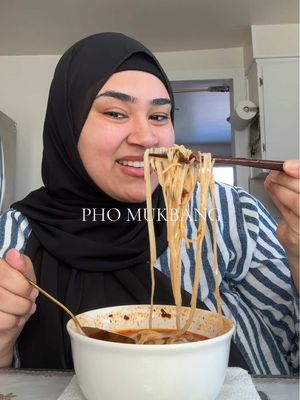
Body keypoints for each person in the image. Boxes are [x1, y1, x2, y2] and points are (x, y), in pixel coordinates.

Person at [0, 32, 299, 375]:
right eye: (115, 112)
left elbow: (291, 353)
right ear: (67, 126)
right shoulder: (15, 235)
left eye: (159, 116)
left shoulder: (230, 212)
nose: (145, 138)